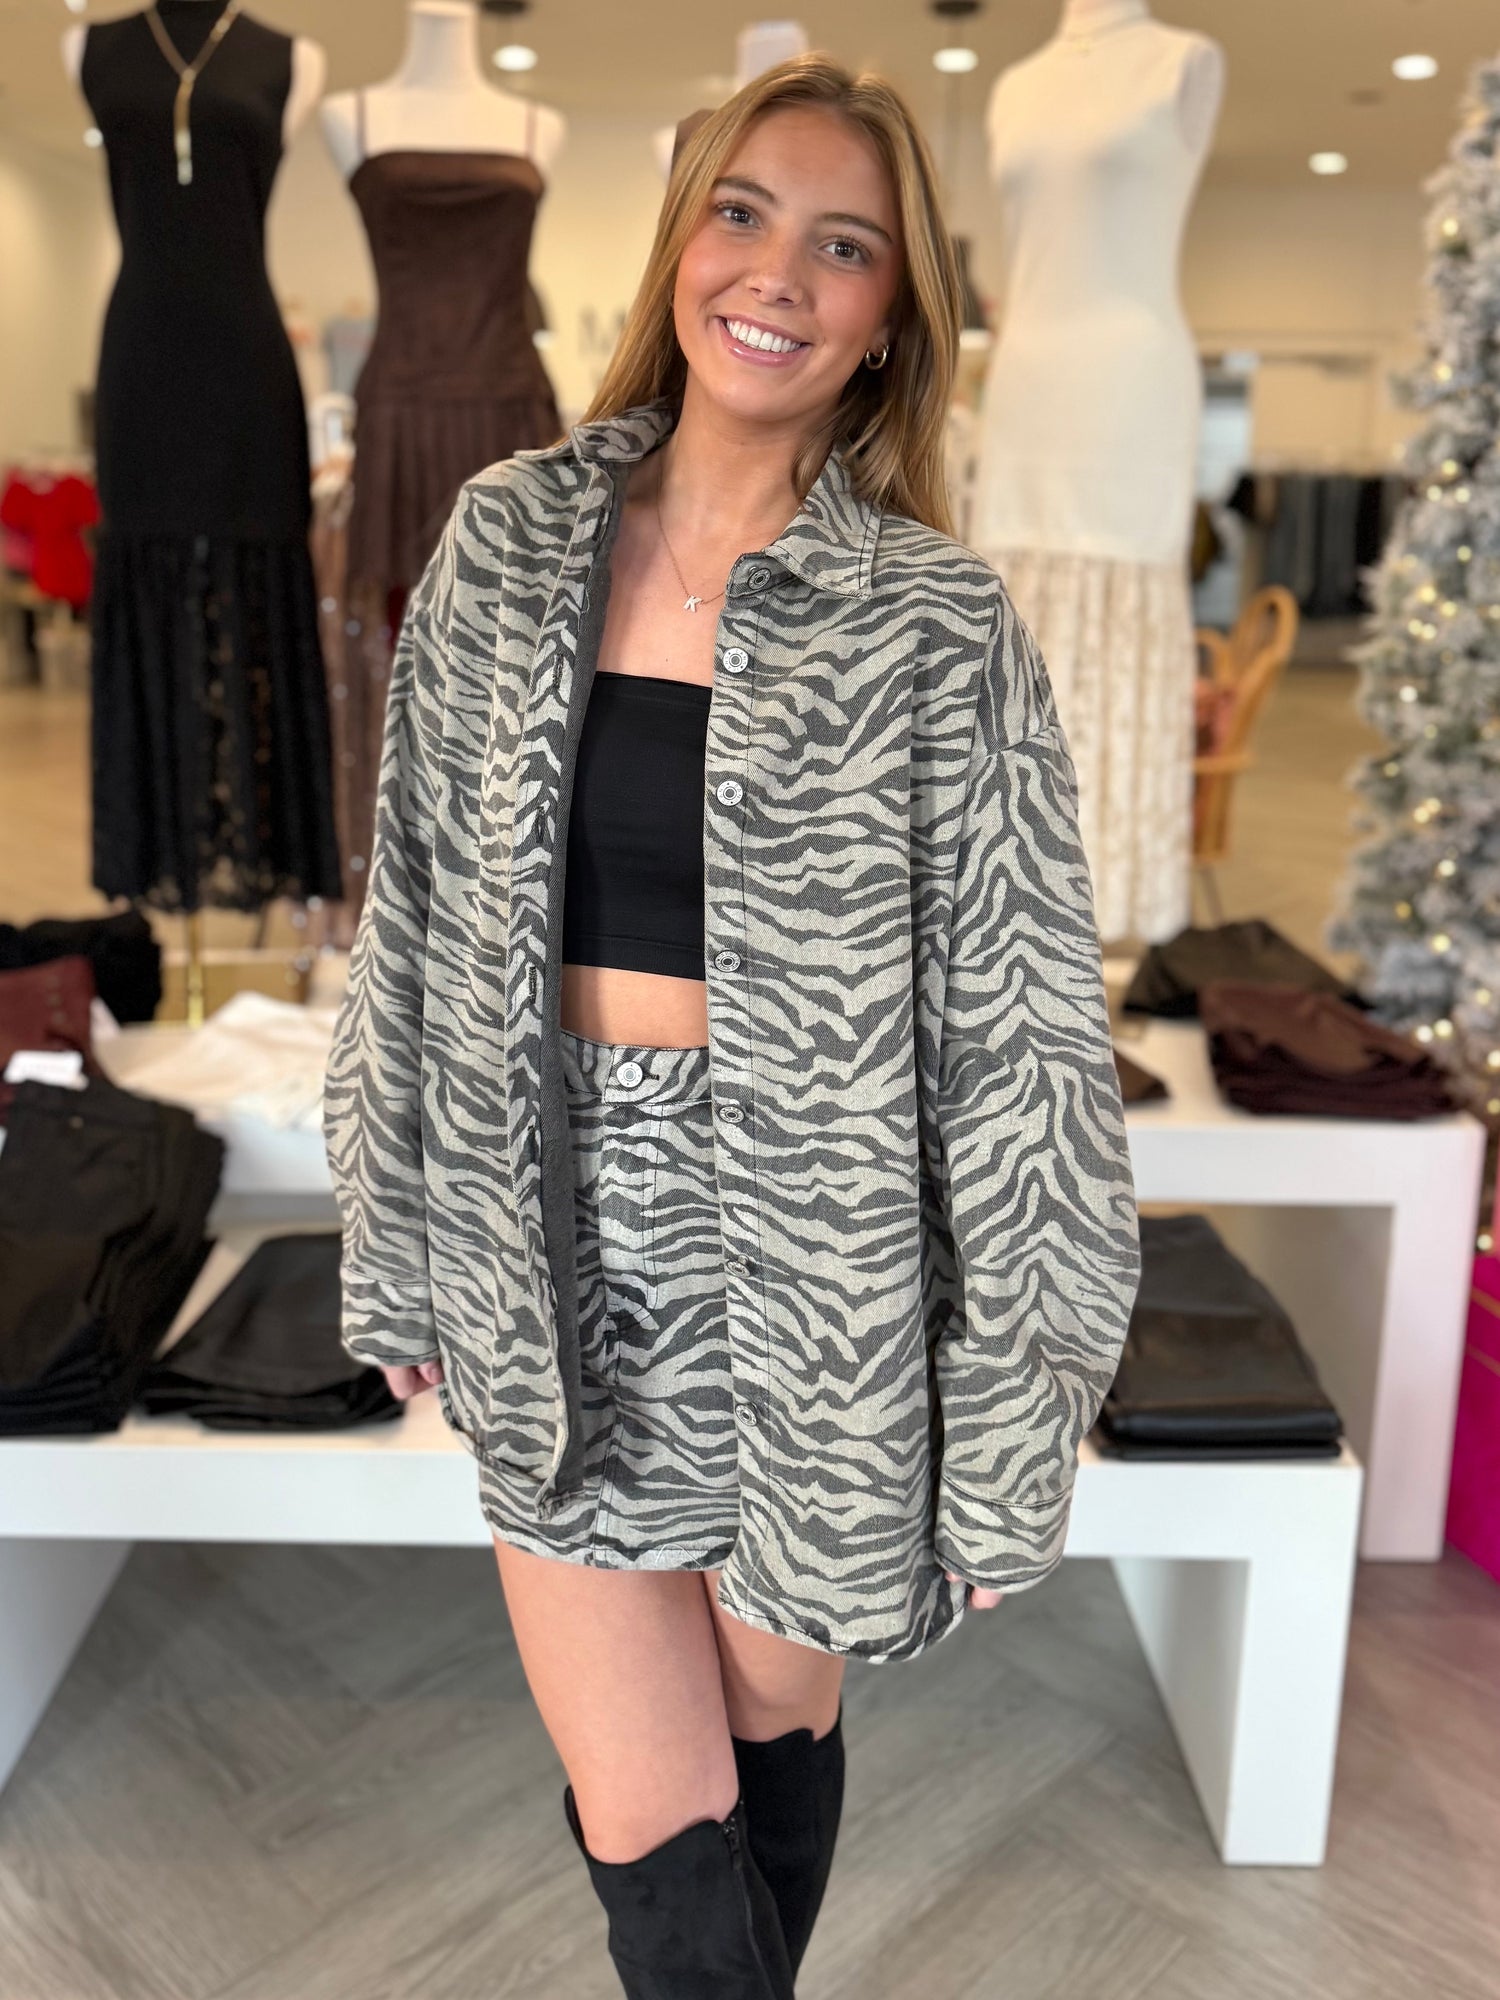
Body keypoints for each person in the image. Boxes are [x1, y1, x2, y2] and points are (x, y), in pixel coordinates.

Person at [323, 51, 1141, 2000]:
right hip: (547, 1245)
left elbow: (1030, 1046)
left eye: (845, 245)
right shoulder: (508, 539)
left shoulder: (936, 625)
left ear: (893, 317)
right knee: (651, 1821)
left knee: (771, 1754)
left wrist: (1017, 1409)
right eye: (746, 213)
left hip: (822, 1276)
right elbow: (408, 916)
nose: (779, 272)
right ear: (681, 244)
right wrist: (398, 1235)